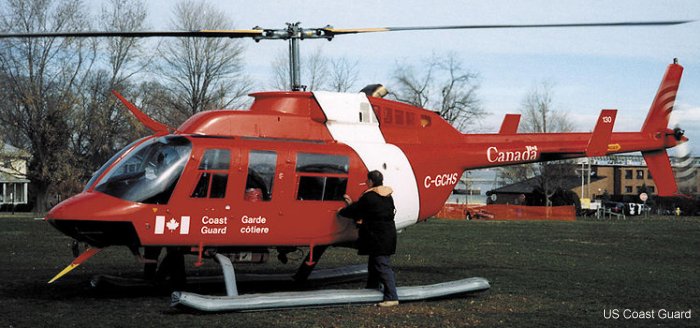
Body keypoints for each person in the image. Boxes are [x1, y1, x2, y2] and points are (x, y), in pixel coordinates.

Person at [339, 170, 399, 307]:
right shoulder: (387, 196)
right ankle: (372, 287)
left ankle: (392, 297)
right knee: (374, 261)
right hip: (387, 234)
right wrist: (353, 204)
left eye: (367, 180)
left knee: (381, 264)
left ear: (371, 181)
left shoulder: (369, 196)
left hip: (377, 236)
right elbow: (369, 209)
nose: (366, 183)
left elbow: (357, 210)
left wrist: (342, 211)